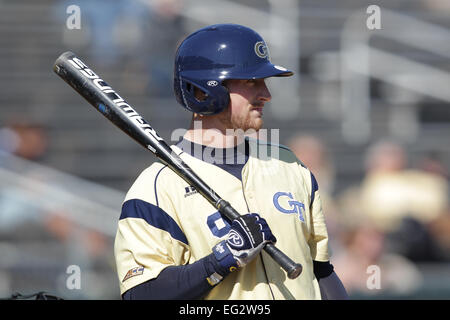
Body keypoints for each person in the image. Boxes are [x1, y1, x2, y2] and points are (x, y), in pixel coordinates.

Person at [114, 23, 348, 300]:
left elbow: (320, 270)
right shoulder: (156, 188)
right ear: (203, 91)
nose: (266, 94)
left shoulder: (291, 166)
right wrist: (221, 261)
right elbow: (140, 295)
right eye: (251, 82)